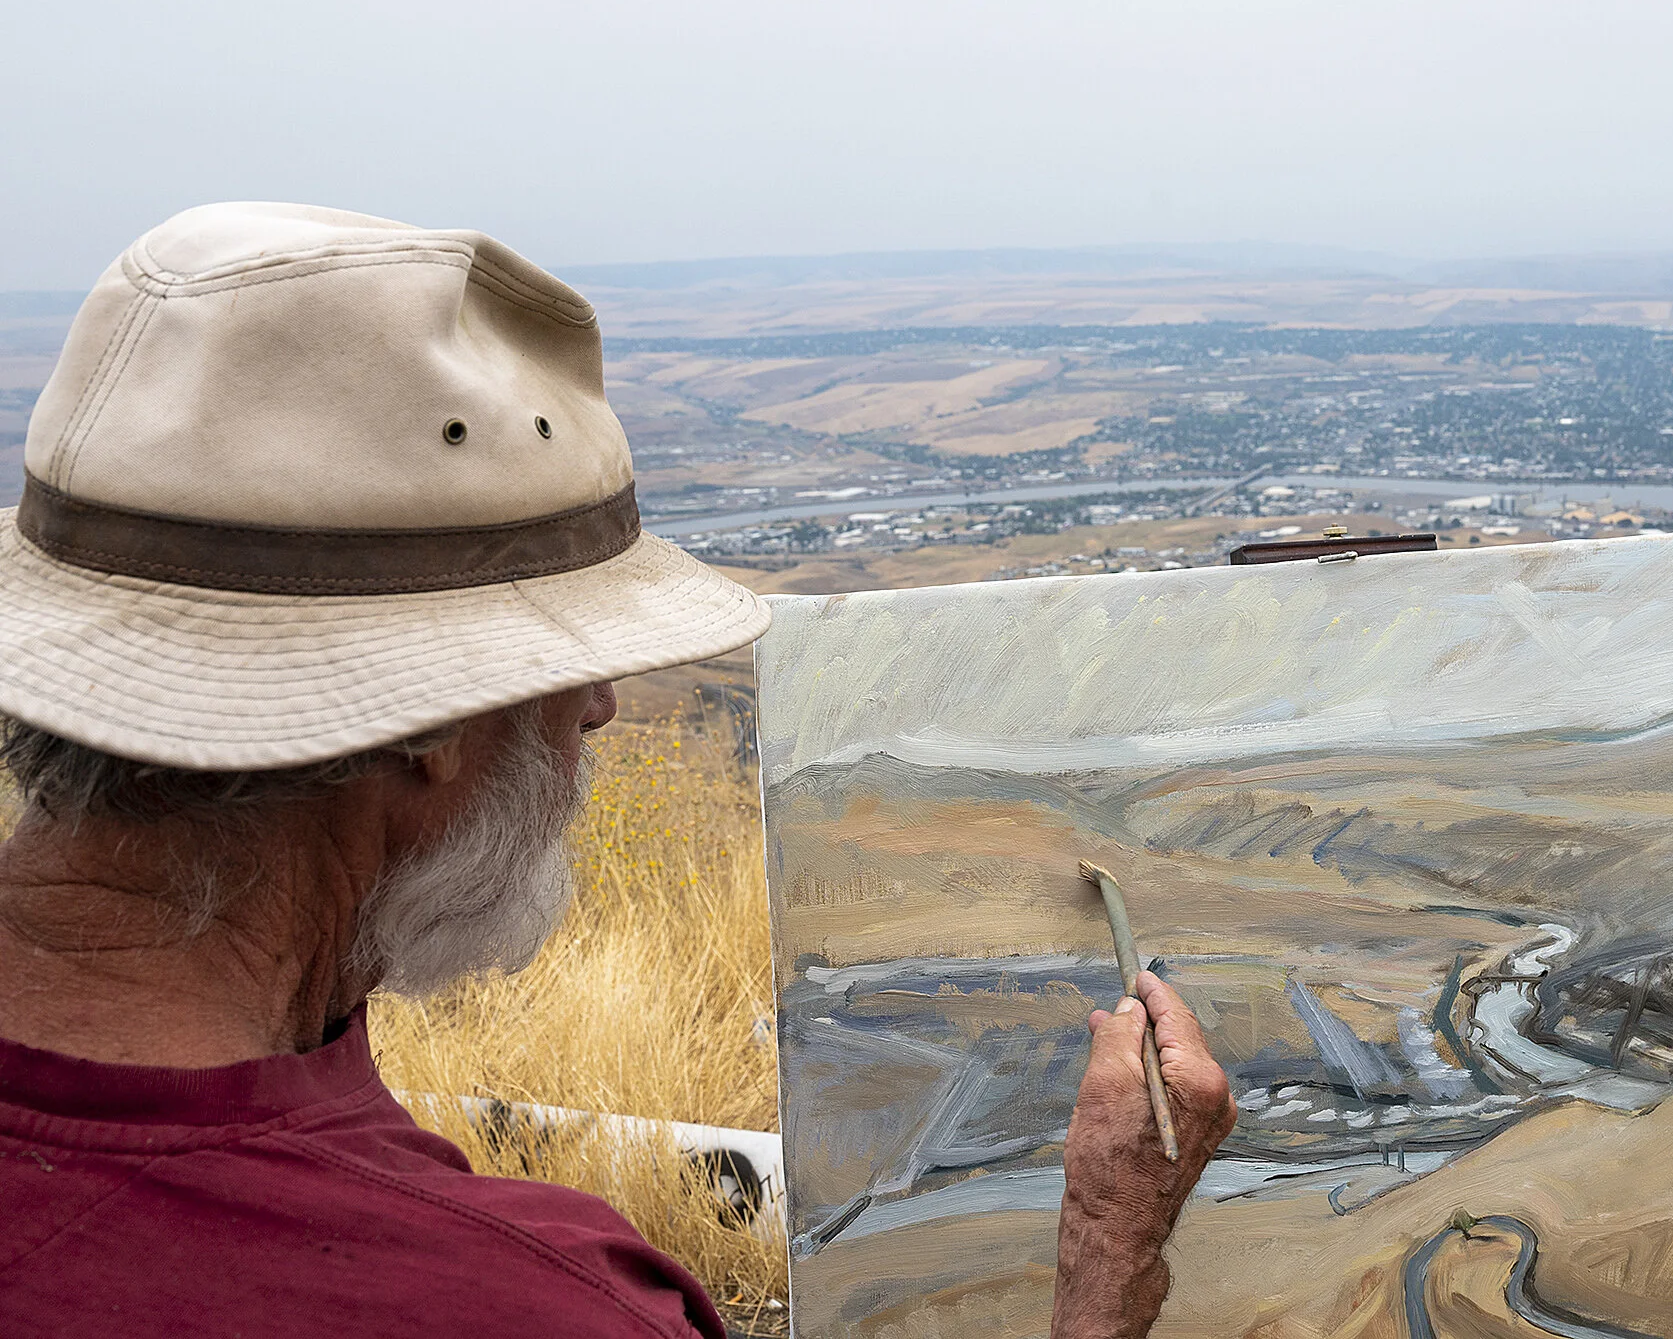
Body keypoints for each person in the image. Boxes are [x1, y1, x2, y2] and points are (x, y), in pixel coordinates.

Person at [0, 203, 1236, 1338]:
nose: (597, 705)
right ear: (427, 721)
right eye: (564, 658)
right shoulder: (523, 1308)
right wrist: (1103, 1258)